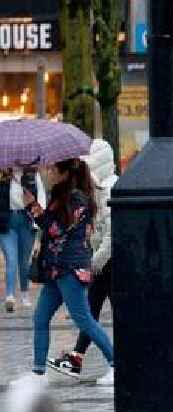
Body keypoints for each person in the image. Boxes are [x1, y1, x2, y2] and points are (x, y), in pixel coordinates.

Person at [13, 158, 114, 387]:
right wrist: (33, 204)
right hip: (56, 270)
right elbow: (51, 226)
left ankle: (116, 365)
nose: (48, 172)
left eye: (52, 169)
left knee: (85, 320)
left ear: (65, 173)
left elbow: (56, 229)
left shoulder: (77, 199)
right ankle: (38, 374)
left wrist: (32, 206)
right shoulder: (60, 196)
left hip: (71, 268)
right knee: (40, 317)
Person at [47, 140, 119, 377]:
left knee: (100, 314)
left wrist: (94, 262)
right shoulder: (98, 191)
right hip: (101, 263)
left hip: (110, 263)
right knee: (90, 312)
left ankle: (117, 364)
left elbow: (111, 235)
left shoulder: (110, 190)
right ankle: (78, 358)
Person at [0, 167, 46, 312]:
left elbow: (42, 199)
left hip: (27, 221)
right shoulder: (3, 176)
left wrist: (38, 219)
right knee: (11, 259)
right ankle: (10, 296)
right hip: (7, 222)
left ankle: (25, 295)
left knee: (24, 261)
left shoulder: (32, 175)